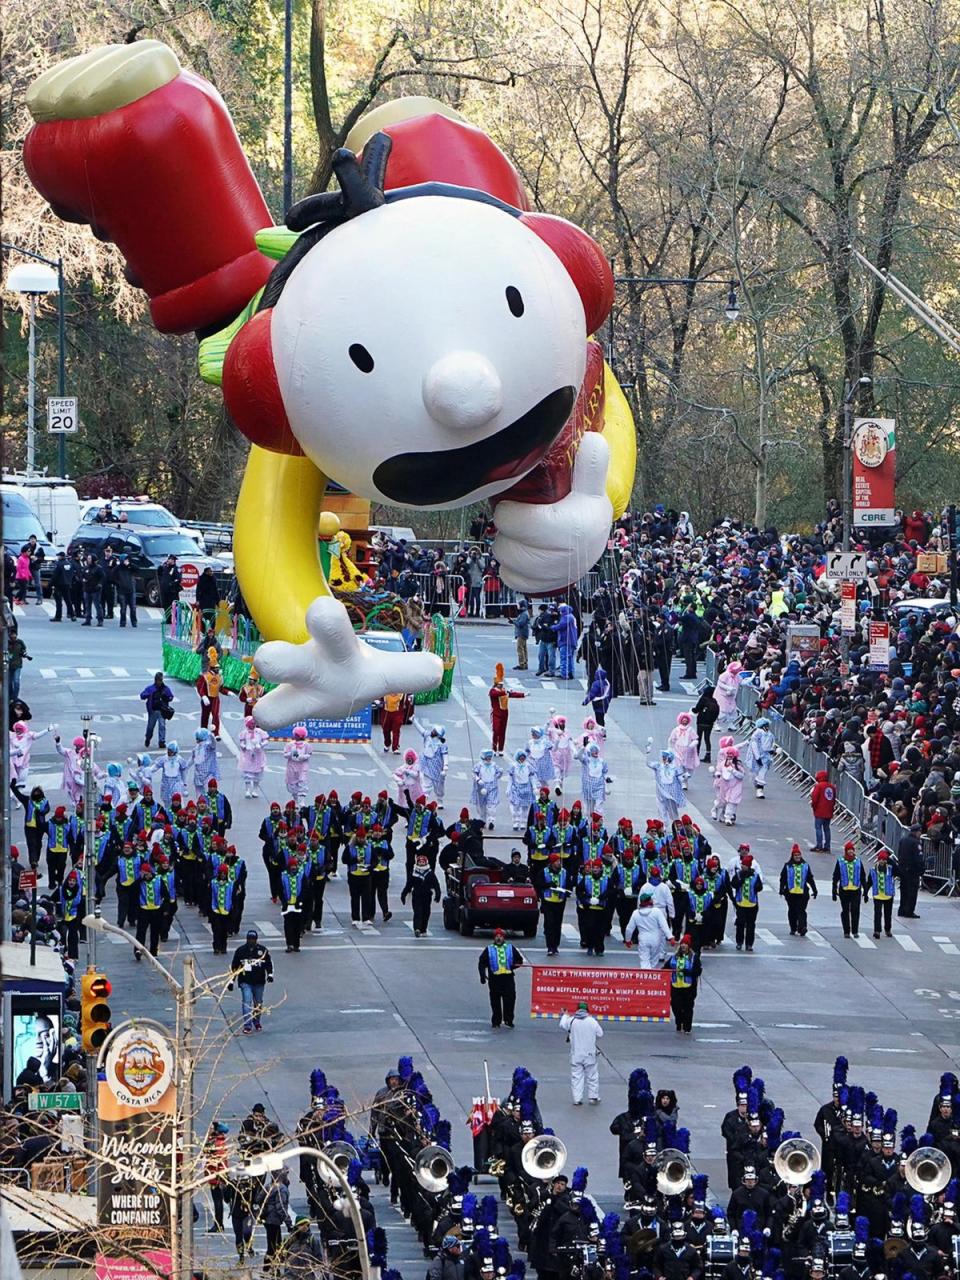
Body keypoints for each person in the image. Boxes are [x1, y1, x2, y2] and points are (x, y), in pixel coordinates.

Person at [478, 927, 525, 1027]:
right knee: (495, 1001)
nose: (499, 938)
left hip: (508, 978)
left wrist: (512, 967)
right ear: (494, 938)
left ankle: (508, 1019)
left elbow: (519, 960)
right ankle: (496, 1021)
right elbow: (482, 962)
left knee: (510, 999)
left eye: (500, 936)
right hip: (494, 979)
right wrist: (482, 975)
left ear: (504, 938)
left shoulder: (510, 948)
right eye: (497, 936)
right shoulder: (489, 949)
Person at [559, 1001, 603, 1105]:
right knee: (592, 1076)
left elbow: (562, 1024)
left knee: (576, 1077)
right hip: (590, 1055)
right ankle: (593, 1097)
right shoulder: (592, 1021)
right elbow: (600, 1033)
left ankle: (577, 1099)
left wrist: (565, 1015)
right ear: (587, 1010)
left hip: (576, 1055)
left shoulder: (572, 1020)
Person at [623, 887, 671, 968]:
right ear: (649, 901)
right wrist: (670, 937)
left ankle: (645, 977)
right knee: (654, 961)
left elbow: (629, 929)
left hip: (643, 939)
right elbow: (664, 925)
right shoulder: (656, 911)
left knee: (644, 960)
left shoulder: (636, 913)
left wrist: (628, 940)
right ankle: (651, 976)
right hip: (656, 939)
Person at [778, 843, 818, 936]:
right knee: (792, 910)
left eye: (799, 855)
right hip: (790, 893)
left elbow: (810, 878)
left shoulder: (805, 866)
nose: (797, 857)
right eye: (796, 855)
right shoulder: (788, 866)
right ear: (793, 856)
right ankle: (793, 927)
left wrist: (814, 890)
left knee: (801, 910)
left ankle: (802, 927)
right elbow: (783, 878)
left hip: (802, 893)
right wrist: (781, 889)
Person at [832, 841, 869, 939]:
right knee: (845, 911)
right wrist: (834, 890)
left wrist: (865, 891)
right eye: (849, 850)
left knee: (855, 910)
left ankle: (855, 930)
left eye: (852, 850)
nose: (851, 852)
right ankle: (846, 931)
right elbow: (836, 876)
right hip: (844, 890)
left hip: (856, 890)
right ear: (846, 851)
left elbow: (862, 876)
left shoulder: (858, 861)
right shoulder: (840, 861)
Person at [400, 850, 441, 936]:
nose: (421, 863)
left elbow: (436, 884)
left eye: (423, 862)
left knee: (426, 913)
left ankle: (423, 929)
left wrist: (438, 894)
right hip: (417, 896)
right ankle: (417, 928)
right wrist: (403, 895)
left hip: (427, 896)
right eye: (420, 862)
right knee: (418, 912)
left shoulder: (430, 873)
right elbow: (408, 885)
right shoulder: (414, 874)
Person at [667, 934, 701, 1034]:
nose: (683, 946)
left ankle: (687, 1027)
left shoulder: (694, 958)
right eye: (682, 944)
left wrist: (685, 971)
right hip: (676, 986)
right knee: (675, 1005)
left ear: (689, 946)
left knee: (688, 1007)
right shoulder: (674, 957)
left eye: (685, 944)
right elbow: (666, 967)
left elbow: (697, 971)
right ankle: (679, 1021)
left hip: (689, 988)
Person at [489, 664, 525, 755]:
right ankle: (494, 748)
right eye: (500, 685)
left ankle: (500, 749)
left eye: (502, 684)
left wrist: (523, 695)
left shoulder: (503, 691)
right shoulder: (493, 691)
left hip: (504, 713)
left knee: (502, 732)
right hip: (496, 714)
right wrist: (505, 692)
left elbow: (512, 694)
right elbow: (495, 695)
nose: (501, 686)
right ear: (496, 684)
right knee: (496, 730)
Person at [196, 649, 230, 737]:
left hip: (215, 699)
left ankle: (216, 733)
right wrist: (203, 696)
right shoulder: (205, 676)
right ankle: (203, 732)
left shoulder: (219, 677)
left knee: (215, 716)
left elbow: (221, 689)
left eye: (218, 668)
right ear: (212, 668)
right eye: (217, 668)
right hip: (207, 698)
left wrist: (228, 692)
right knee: (205, 716)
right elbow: (200, 688)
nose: (218, 669)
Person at [140, 672, 174, 749]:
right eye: (158, 680)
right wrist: (147, 695)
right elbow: (142, 695)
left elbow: (171, 696)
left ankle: (162, 741)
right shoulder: (150, 688)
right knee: (150, 727)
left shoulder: (165, 689)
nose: (159, 682)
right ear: (155, 680)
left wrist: (167, 698)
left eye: (160, 680)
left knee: (162, 726)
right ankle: (148, 738)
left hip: (162, 711)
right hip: (153, 711)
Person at [871, 848, 898, 938]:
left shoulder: (890, 869)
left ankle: (888, 929)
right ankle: (877, 931)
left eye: (884, 859)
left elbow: (898, 871)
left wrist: (889, 859)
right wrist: (865, 891)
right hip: (878, 895)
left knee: (888, 913)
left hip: (888, 895)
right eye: (880, 859)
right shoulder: (874, 869)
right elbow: (869, 881)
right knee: (877, 913)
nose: (882, 861)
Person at [897, 824, 923, 918]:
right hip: (912, 870)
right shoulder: (916, 842)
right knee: (912, 892)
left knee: (904, 890)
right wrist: (921, 869)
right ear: (917, 832)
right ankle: (909, 911)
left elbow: (899, 853)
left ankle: (902, 909)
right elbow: (918, 858)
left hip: (903, 869)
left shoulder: (903, 840)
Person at [810, 770, 836, 854]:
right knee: (827, 829)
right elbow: (833, 799)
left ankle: (819, 845)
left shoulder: (818, 786)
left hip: (820, 810)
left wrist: (814, 807)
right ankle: (827, 846)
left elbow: (814, 798)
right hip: (828, 810)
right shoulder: (831, 787)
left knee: (818, 828)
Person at [692, 684, 720, 763]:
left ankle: (696, 755)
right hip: (710, 723)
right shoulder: (714, 701)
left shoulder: (703, 699)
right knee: (707, 739)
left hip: (701, 722)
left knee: (699, 738)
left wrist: (693, 710)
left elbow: (696, 709)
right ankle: (708, 755)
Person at [553, 603, 579, 680]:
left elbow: (561, 626)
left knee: (564, 658)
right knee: (570, 658)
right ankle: (571, 673)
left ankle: (564, 674)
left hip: (565, 640)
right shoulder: (572, 617)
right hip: (572, 640)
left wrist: (552, 627)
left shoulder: (566, 617)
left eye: (561, 610)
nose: (560, 612)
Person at [112, 553, 138, 627]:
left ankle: (134, 621)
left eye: (127, 559)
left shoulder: (130, 567)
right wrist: (118, 583)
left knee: (133, 607)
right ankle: (122, 622)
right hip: (122, 591)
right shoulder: (118, 568)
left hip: (131, 590)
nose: (126, 561)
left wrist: (130, 564)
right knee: (123, 608)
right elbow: (112, 577)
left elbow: (137, 569)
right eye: (125, 559)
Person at [49, 551, 75, 621]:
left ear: (61, 556)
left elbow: (55, 575)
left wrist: (51, 584)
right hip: (67, 584)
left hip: (59, 584)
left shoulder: (59, 564)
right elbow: (72, 574)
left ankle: (58, 616)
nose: (58, 557)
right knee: (68, 600)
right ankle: (72, 615)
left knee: (59, 602)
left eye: (58, 556)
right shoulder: (69, 564)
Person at [80, 553, 105, 626]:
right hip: (87, 589)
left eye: (90, 558)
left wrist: (99, 584)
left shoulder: (98, 568)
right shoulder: (86, 568)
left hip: (95, 589)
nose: (88, 560)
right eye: (88, 558)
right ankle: (88, 619)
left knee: (97, 605)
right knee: (87, 605)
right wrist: (83, 580)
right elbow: (82, 576)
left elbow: (103, 577)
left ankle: (100, 620)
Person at [513, 599, 530, 670]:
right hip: (523, 633)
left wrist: (514, 622)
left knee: (520, 649)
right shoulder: (524, 613)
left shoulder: (524, 614)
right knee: (524, 648)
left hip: (521, 633)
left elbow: (520, 624)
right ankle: (525, 663)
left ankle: (522, 663)